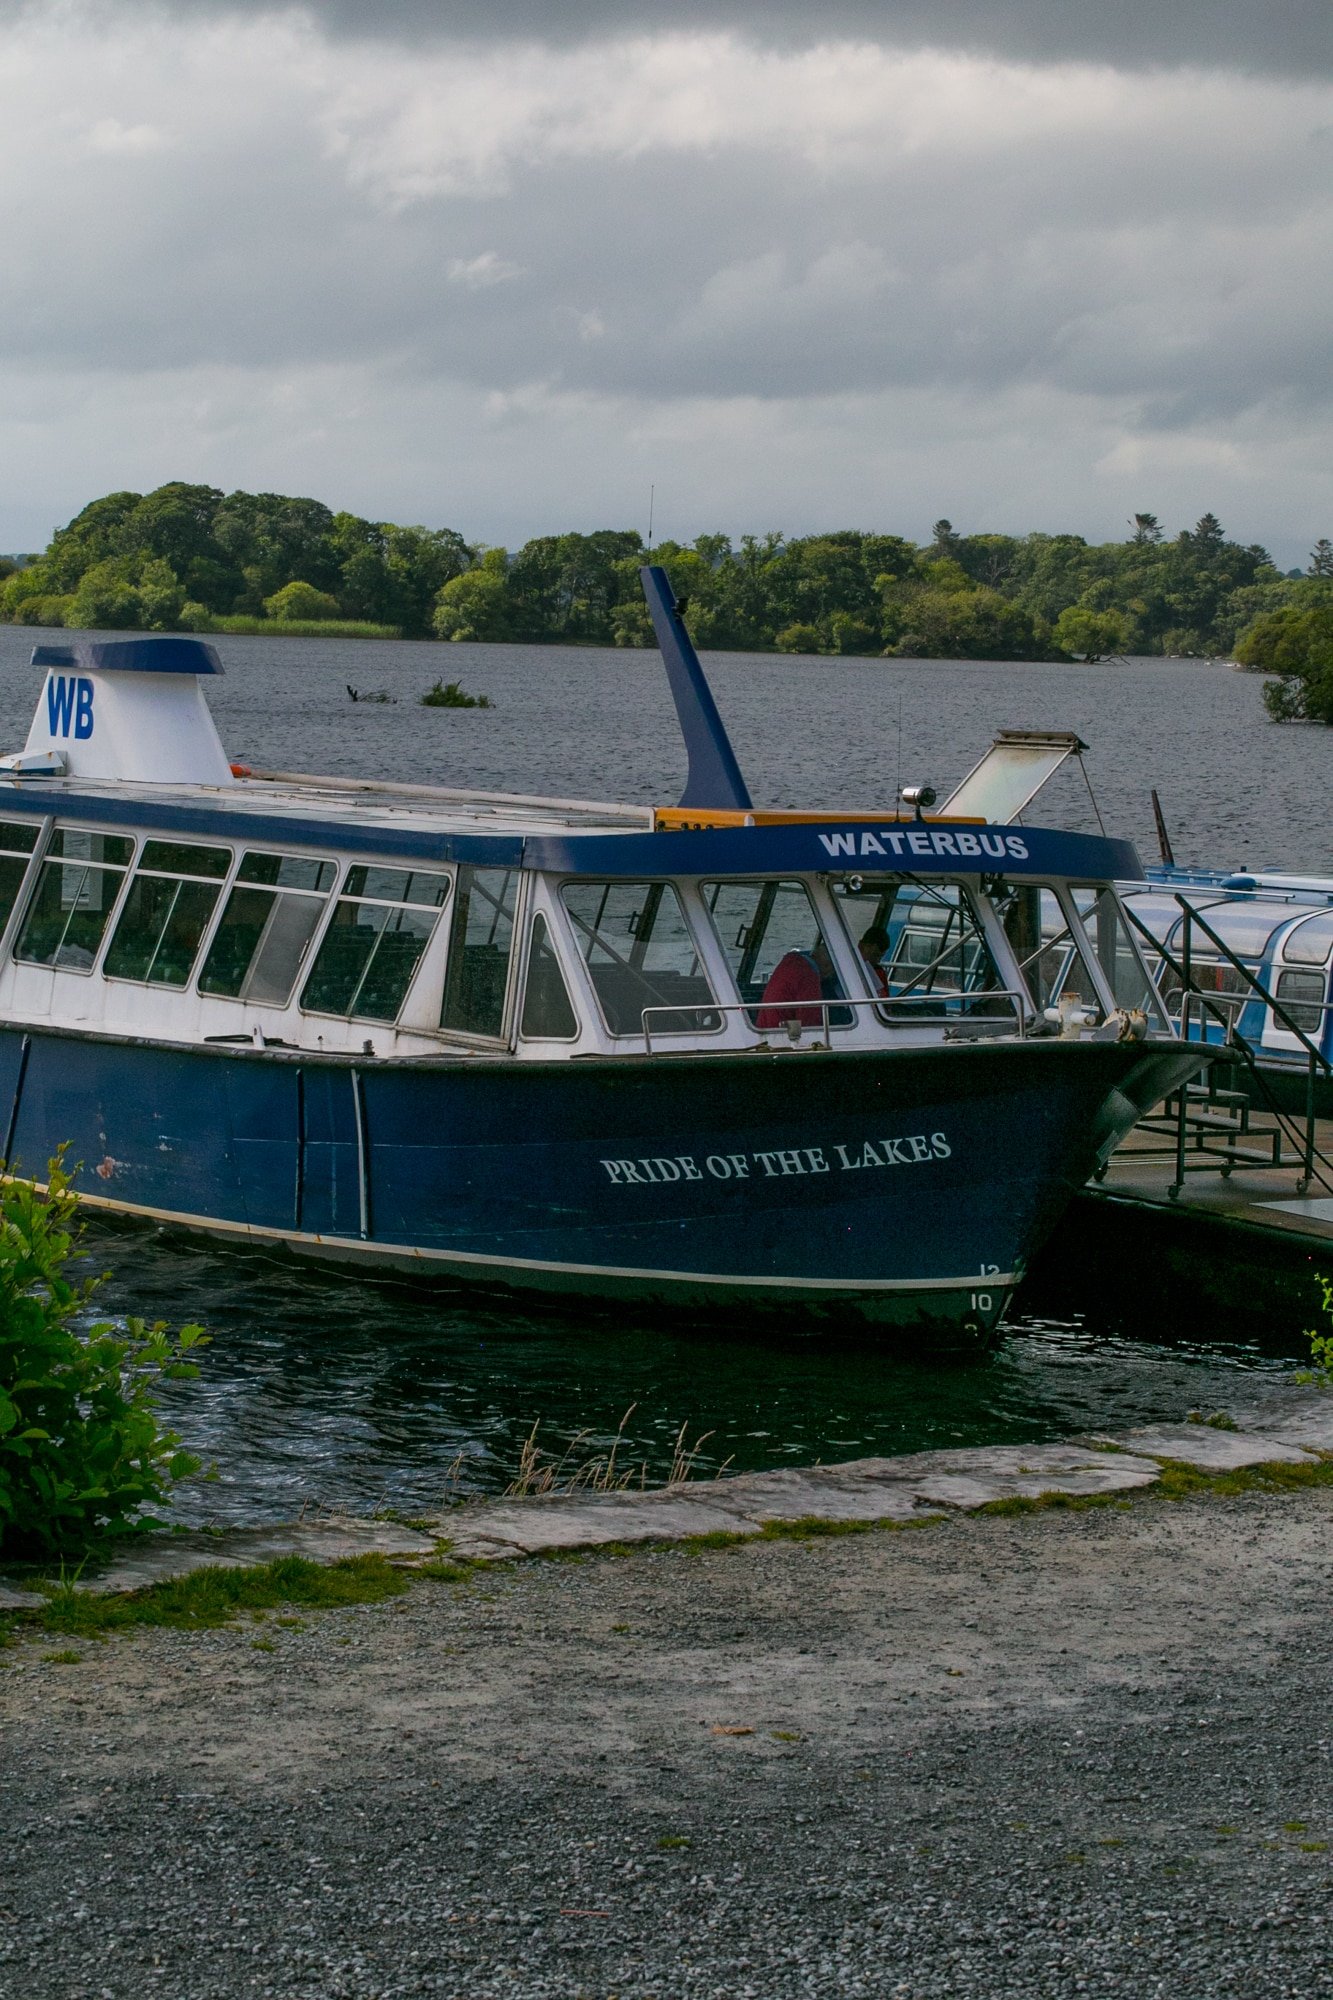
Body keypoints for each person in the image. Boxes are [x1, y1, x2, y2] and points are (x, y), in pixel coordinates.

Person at [757, 935, 841, 1030]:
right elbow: (810, 1022)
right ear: (827, 967)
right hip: (782, 1035)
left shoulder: (790, 963)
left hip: (767, 1026)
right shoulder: (808, 977)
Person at [856, 923, 891, 996]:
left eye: (880, 957)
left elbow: (886, 1002)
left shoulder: (879, 972)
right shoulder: (844, 967)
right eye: (875, 955)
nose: (878, 960)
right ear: (861, 946)